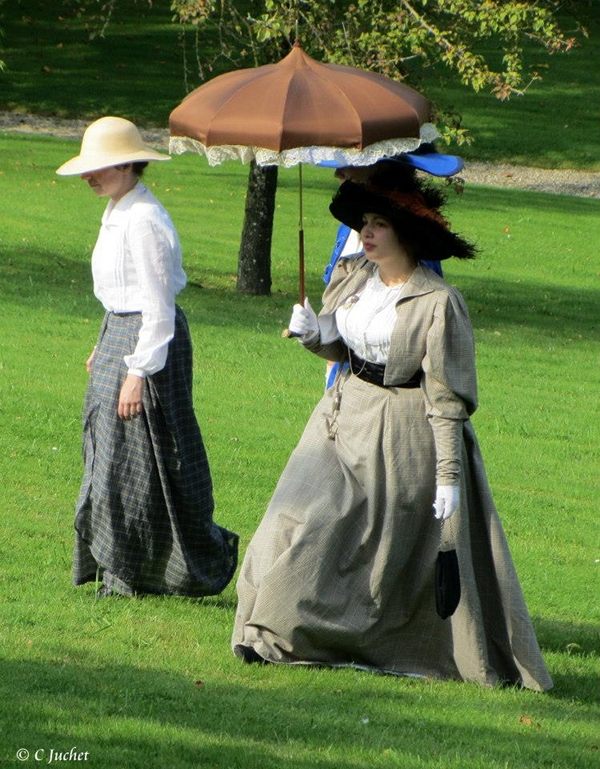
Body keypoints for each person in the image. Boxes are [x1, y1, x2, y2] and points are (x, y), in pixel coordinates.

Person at [232, 164, 552, 691]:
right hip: (339, 417)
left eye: (378, 223)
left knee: (360, 546)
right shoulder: (355, 274)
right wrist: (315, 335)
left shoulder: (437, 303)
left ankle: (316, 634)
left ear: (405, 230)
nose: (367, 233)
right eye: (365, 223)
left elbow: (446, 399)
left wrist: (448, 477)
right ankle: (267, 631)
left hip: (402, 436)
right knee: (291, 520)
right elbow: (342, 348)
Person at [56, 116, 238, 598]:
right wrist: (106, 341)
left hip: (149, 342)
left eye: (100, 167)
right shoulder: (118, 208)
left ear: (127, 164)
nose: (89, 176)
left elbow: (158, 306)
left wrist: (137, 370)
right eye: (88, 168)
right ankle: (118, 567)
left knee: (150, 454)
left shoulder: (145, 219)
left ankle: (162, 569)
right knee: (110, 451)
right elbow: (120, 292)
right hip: (120, 334)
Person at [322, 145, 460, 388]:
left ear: (380, 166)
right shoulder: (346, 230)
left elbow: (422, 333)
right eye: (365, 222)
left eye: (351, 160)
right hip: (344, 385)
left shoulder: (413, 250)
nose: (338, 172)